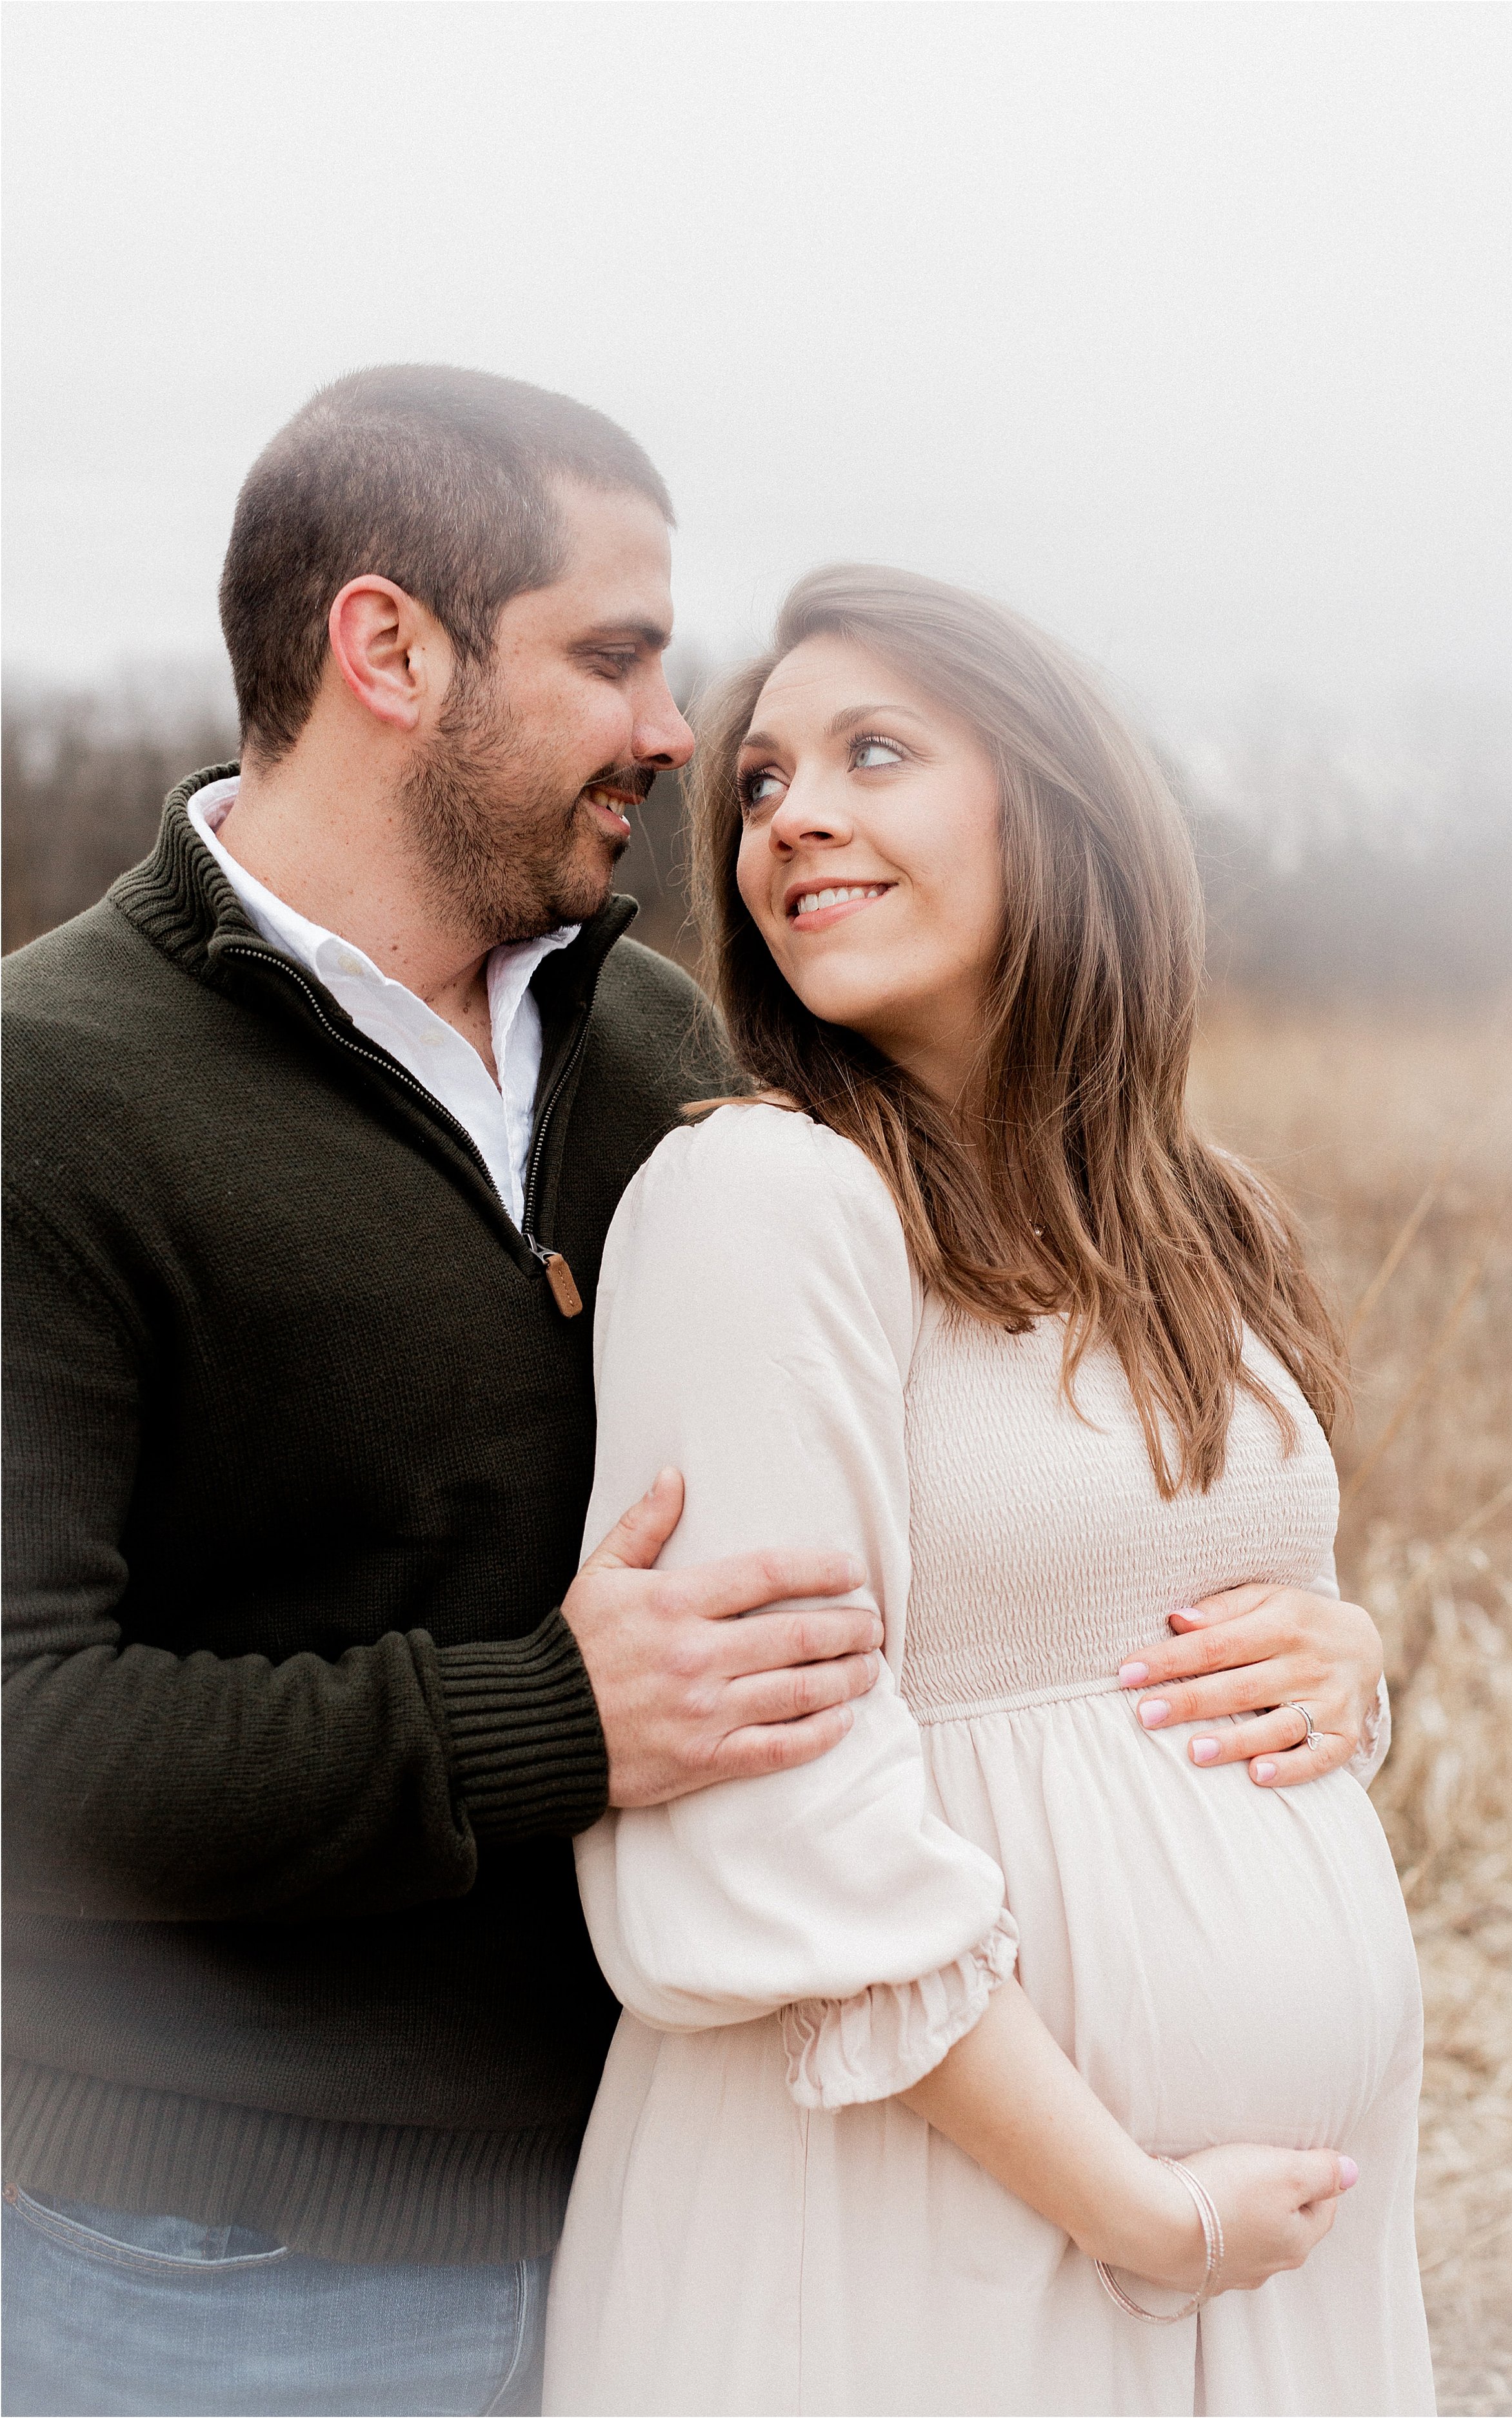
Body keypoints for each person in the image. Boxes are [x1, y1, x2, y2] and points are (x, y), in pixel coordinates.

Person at [3, 371, 1386, 2418]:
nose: (677, 734)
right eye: (618, 658)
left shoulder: (647, 1039)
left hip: (676, 2154)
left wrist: (1334, 1652)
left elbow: (929, 1498)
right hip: (248, 2259)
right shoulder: (54, 1087)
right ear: (389, 650)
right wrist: (547, 1720)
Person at [543, 566, 1433, 2416]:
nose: (793, 815)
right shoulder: (765, 1206)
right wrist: (1139, 2209)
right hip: (926, 2241)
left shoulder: (1199, 1213)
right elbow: (768, 1813)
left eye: (874, 751)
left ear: (1061, 804)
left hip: (1260, 2251)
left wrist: (1347, 1659)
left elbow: (1208, 1621)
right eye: (766, 780)